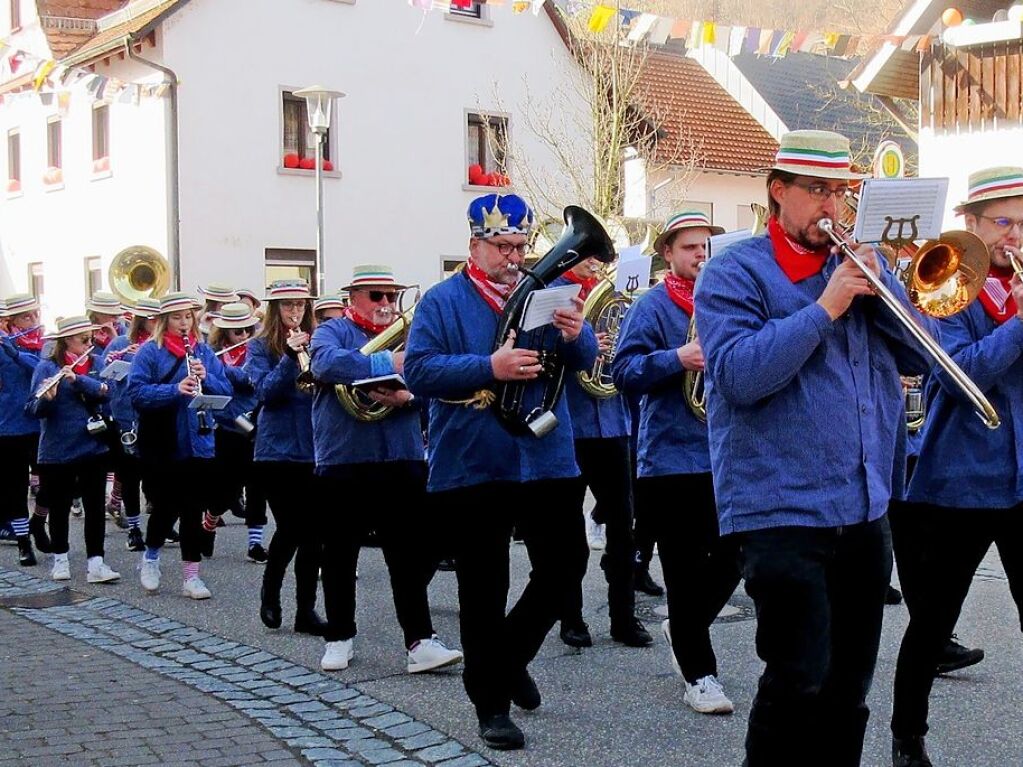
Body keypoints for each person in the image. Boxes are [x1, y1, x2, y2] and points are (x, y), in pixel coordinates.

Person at [694, 130, 934, 766]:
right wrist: (825, 307)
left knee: (850, 691)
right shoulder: (732, 272)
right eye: (818, 191)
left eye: (842, 192)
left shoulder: (856, 270)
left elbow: (923, 356)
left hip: (863, 508)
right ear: (779, 191)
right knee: (798, 679)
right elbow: (740, 377)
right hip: (780, 509)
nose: (833, 206)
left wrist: (887, 294)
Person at [404, 193, 597, 751]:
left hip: (544, 455)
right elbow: (418, 371)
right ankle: (491, 704)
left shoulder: (543, 293)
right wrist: (489, 366)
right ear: (474, 246)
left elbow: (584, 362)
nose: (514, 258)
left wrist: (575, 331)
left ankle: (508, 660)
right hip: (474, 461)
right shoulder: (442, 301)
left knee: (566, 567)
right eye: (502, 247)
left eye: (520, 246)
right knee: (484, 588)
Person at [890, 166, 1023, 767]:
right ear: (971, 224)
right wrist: (1020, 325)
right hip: (959, 481)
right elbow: (956, 372)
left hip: (1022, 481)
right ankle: (907, 736)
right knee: (932, 622)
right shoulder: (946, 284)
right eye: (1002, 222)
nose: (1013, 236)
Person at [613, 210, 741, 715]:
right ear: (668, 253)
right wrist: (677, 359)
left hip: (726, 451)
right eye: (689, 247)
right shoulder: (651, 306)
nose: (700, 254)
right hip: (669, 458)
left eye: (706, 245)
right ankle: (700, 674)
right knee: (685, 572)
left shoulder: (729, 302)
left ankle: (683, 626)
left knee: (738, 556)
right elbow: (622, 371)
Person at [310, 264, 463, 675]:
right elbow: (323, 365)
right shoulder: (332, 331)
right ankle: (339, 636)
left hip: (402, 456)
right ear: (352, 299)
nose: (385, 304)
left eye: (390, 296)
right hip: (344, 457)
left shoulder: (413, 336)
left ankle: (420, 641)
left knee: (408, 556)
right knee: (340, 553)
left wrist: (409, 397)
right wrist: (386, 360)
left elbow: (432, 384)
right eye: (376, 295)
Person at [554, 256, 652, 650]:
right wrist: (586, 343)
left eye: (601, 257)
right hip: (569, 423)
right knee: (566, 533)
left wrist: (615, 349)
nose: (596, 264)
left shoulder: (616, 297)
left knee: (623, 528)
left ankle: (623, 618)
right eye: (589, 256)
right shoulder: (551, 295)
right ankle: (571, 617)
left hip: (612, 422)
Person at [127, 292, 233, 599]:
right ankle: (150, 557)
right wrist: (175, 389)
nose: (184, 323)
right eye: (177, 317)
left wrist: (206, 378)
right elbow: (137, 393)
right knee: (164, 506)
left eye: (189, 316)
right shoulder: (150, 352)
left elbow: (225, 391)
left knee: (193, 507)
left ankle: (191, 576)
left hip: (198, 439)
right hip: (161, 440)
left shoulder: (204, 352)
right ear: (163, 321)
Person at [246, 280, 327, 636]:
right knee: (293, 527)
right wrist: (288, 359)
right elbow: (264, 392)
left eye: (300, 305)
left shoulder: (319, 339)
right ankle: (271, 591)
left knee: (313, 535)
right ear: (275, 310)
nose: (295, 312)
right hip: (276, 452)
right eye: (287, 306)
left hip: (314, 448)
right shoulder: (260, 347)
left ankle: (305, 611)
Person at [27, 315, 120, 584]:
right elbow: (32, 409)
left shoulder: (97, 362)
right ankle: (60, 560)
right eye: (84, 339)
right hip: (57, 449)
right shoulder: (46, 367)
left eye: (90, 338)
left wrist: (78, 380)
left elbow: (108, 392)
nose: (89, 343)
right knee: (59, 506)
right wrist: (47, 399)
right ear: (67, 340)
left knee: (94, 507)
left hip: (93, 446)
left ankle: (96, 563)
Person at [201, 302, 269, 562]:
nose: (243, 336)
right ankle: (209, 523)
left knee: (257, 486)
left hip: (255, 424)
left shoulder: (256, 351)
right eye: (237, 332)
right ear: (224, 333)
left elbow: (251, 381)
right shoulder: (212, 353)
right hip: (228, 427)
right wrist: (211, 372)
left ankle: (255, 544)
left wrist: (225, 371)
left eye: (247, 330)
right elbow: (213, 388)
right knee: (225, 490)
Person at [103, 298, 160, 552]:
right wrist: (123, 361)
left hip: (152, 416)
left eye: (157, 318)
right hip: (125, 415)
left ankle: (160, 523)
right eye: (150, 319)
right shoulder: (120, 343)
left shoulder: (160, 345)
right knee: (129, 475)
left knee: (154, 476)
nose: (155, 323)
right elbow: (104, 376)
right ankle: (135, 528)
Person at [0, 294, 45, 565]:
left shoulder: (44, 346)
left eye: (35, 315)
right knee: (15, 487)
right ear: (11, 321)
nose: (34, 321)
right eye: (27, 317)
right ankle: (23, 542)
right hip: (8, 427)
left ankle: (38, 522)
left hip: (41, 424)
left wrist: (17, 355)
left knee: (51, 483)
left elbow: (43, 370)